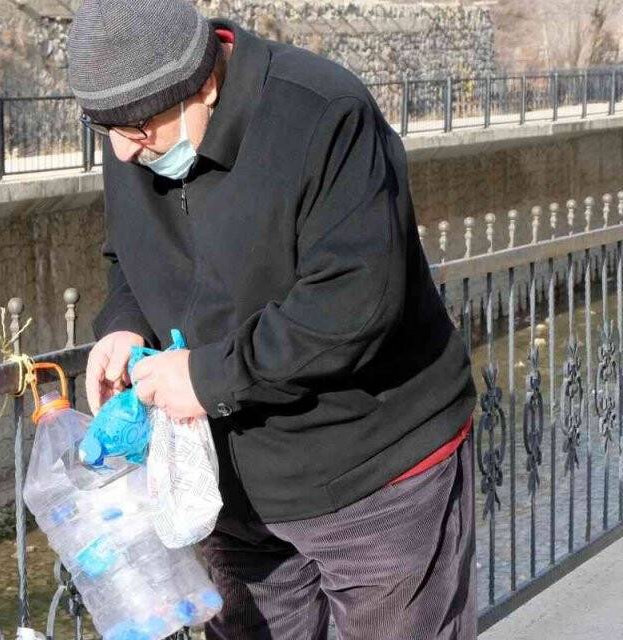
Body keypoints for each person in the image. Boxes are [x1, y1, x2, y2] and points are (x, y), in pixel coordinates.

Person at [68, 1, 479, 638]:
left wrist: (207, 378)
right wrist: (125, 322)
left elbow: (354, 302)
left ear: (204, 83)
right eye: (106, 129)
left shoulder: (322, 112)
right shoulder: (136, 119)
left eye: (139, 129)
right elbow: (129, 252)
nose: (123, 152)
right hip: (232, 490)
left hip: (376, 473)